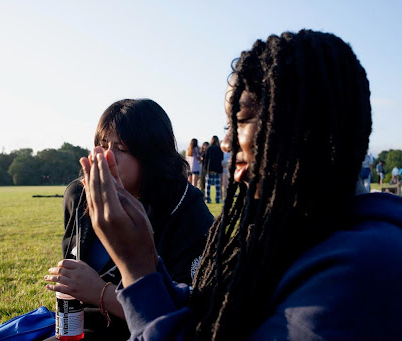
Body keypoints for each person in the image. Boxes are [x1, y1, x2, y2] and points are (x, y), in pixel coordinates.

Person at [79, 29, 402, 340]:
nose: (226, 142)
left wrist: (136, 270)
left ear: (302, 127)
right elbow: (212, 314)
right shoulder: (298, 231)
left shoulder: (357, 272)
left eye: (243, 119)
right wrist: (149, 262)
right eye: (227, 125)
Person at [45, 99, 213, 340]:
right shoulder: (80, 195)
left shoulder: (186, 210)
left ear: (152, 156)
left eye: (121, 148)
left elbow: (188, 315)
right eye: (102, 145)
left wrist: (100, 292)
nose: (105, 156)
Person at [203, 136, 223, 203]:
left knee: (208, 186)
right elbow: (221, 158)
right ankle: (217, 199)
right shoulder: (219, 149)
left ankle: (208, 199)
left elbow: (205, 159)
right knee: (217, 186)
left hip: (209, 169)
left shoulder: (208, 148)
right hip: (217, 169)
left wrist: (205, 168)